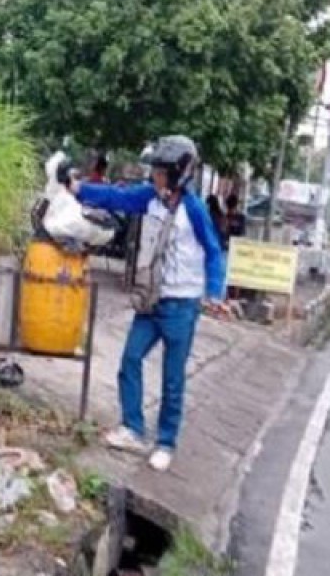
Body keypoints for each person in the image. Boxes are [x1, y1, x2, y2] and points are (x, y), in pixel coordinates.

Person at [72, 135, 228, 472]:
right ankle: (132, 428)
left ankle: (166, 442)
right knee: (130, 359)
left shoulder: (194, 209)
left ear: (178, 173)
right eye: (154, 171)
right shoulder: (150, 198)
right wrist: (77, 188)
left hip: (182, 305)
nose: (154, 177)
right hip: (151, 300)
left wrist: (215, 293)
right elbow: (118, 197)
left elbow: (214, 251)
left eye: (161, 172)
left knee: (172, 378)